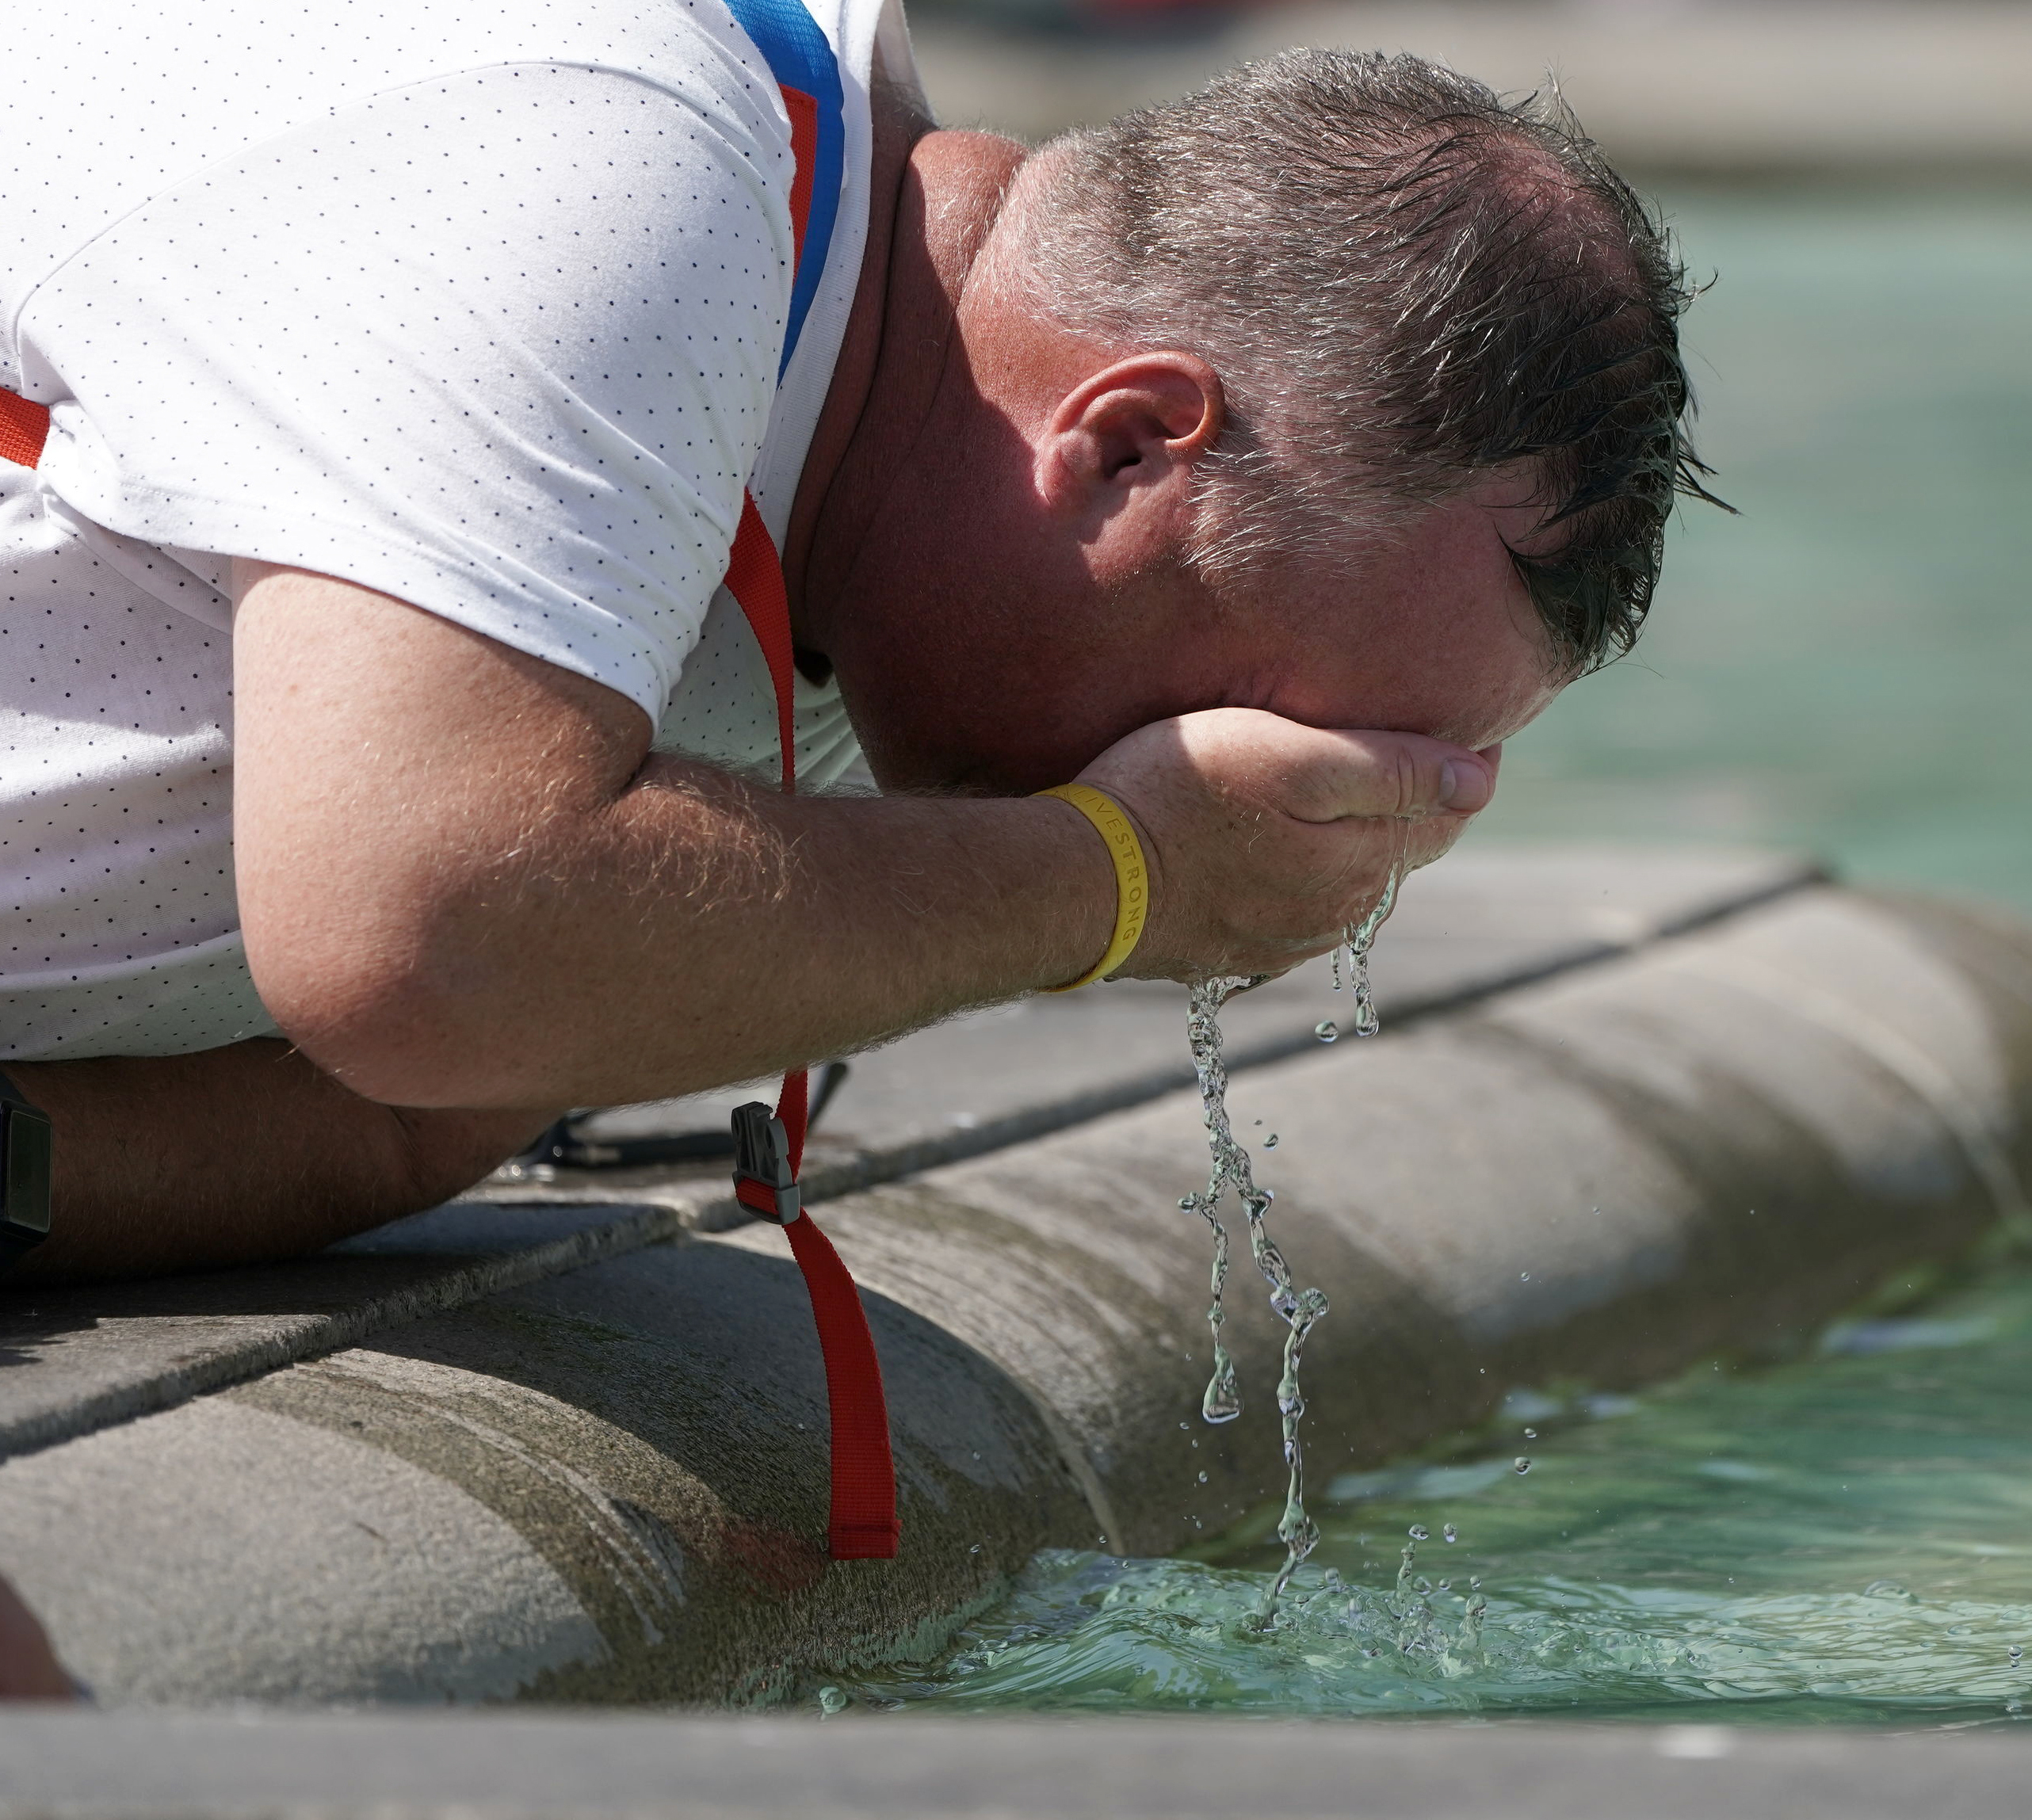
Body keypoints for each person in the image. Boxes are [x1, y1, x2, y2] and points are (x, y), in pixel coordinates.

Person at [0, 0, 1706, 1284]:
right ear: (1121, 444)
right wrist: (1114, 875)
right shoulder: (604, 161)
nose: (1269, 802)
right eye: (1265, 724)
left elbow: (413, 1103)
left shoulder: (846, 547)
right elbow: (433, 932)